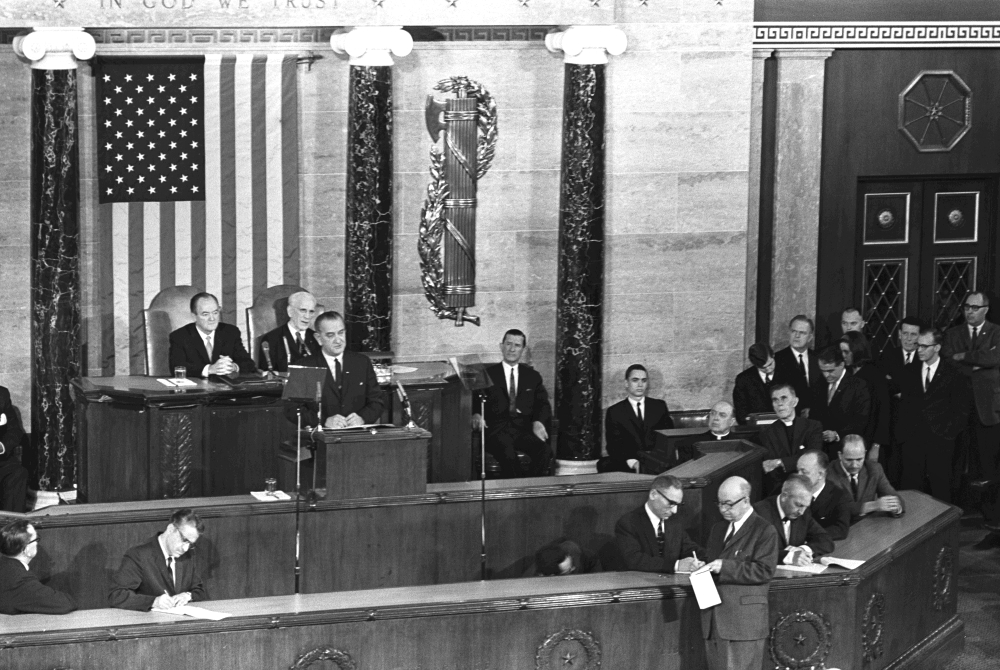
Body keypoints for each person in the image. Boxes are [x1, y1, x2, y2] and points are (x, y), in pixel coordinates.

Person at [700, 476, 779, 670]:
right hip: (713, 619)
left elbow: (764, 570)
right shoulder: (718, 529)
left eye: (728, 504)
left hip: (743, 624)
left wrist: (724, 567)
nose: (723, 509)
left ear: (745, 500)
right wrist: (701, 567)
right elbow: (714, 565)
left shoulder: (765, 530)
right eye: (720, 504)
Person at [898, 327, 972, 503]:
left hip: (941, 441)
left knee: (941, 489)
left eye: (925, 346)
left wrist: (947, 434)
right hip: (913, 440)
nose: (919, 350)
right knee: (912, 489)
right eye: (918, 346)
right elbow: (905, 406)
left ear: (937, 347)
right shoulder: (910, 371)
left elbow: (961, 410)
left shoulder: (954, 373)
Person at [472, 329, 553, 478]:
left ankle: (530, 488)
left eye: (517, 345)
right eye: (508, 344)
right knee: (508, 454)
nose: (512, 349)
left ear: (523, 349)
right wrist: (476, 414)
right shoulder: (487, 374)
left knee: (545, 451)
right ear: (501, 346)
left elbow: (542, 404)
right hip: (497, 430)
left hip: (523, 429)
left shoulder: (532, 376)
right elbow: (475, 401)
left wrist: (538, 422)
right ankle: (516, 494)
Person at [941, 291, 1000, 489]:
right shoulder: (952, 333)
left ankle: (988, 514)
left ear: (986, 310)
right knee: (958, 457)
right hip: (959, 403)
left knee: (986, 460)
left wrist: (964, 355)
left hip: (987, 405)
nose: (970, 312)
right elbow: (948, 362)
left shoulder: (996, 332)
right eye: (967, 307)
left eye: (975, 308)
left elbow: (994, 358)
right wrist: (977, 365)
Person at [294, 311, 385, 428]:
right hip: (319, 439)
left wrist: (362, 418)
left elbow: (377, 402)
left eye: (341, 333)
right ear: (318, 338)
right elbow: (292, 409)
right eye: (331, 335)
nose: (338, 340)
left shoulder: (362, 362)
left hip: (355, 437)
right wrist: (323, 421)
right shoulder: (304, 366)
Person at [108, 509, 208, 611]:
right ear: (171, 529)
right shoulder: (139, 555)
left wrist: (187, 596)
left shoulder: (187, 556)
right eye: (184, 540)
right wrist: (154, 601)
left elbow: (199, 591)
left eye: (190, 544)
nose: (185, 548)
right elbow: (117, 595)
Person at [614, 474, 704, 573]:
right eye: (671, 503)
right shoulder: (628, 522)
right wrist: (676, 565)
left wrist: (702, 562)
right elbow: (634, 560)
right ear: (653, 494)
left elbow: (689, 548)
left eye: (678, 505)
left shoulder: (674, 522)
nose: (675, 511)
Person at [600, 364, 674, 473]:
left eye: (644, 380)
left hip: (659, 465)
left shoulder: (659, 407)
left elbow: (669, 438)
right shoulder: (615, 412)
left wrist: (655, 462)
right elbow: (614, 446)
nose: (640, 384)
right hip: (627, 465)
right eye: (635, 380)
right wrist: (633, 463)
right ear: (626, 383)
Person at [168, 292, 256, 378]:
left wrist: (233, 366)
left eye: (215, 312)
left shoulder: (230, 332)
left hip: (225, 389)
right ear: (194, 316)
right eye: (205, 314)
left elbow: (248, 363)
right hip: (197, 390)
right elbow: (176, 368)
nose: (212, 318)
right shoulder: (180, 336)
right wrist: (209, 369)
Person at [752, 474, 834, 566]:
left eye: (806, 506)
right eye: (799, 505)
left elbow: (826, 540)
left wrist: (803, 549)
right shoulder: (758, 513)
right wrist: (789, 556)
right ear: (784, 496)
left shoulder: (804, 513)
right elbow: (754, 552)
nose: (801, 512)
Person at [878, 316, 922, 484]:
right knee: (892, 471)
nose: (909, 339)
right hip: (891, 423)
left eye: (913, 334)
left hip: (916, 426)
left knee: (912, 473)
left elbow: (921, 391)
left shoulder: (924, 358)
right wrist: (906, 389)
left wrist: (899, 387)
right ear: (899, 334)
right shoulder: (888, 355)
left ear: (920, 336)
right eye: (905, 334)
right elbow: (883, 387)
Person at [0, 520, 76, 615]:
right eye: (36, 539)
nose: (37, 544)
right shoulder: (19, 580)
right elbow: (64, 604)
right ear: (26, 549)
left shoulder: (5, 566)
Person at [759, 384, 823, 494]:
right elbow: (771, 469)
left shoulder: (813, 426)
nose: (780, 404)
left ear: (795, 401)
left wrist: (780, 462)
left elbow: (813, 459)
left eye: (784, 398)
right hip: (782, 490)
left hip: (810, 486)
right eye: (775, 400)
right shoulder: (767, 433)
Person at [811, 345, 870, 458]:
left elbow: (861, 419)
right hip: (821, 449)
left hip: (846, 450)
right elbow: (814, 414)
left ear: (842, 364)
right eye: (823, 371)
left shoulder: (858, 385)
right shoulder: (819, 385)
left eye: (830, 370)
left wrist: (837, 434)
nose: (826, 375)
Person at [828, 435, 904, 523]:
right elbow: (838, 508)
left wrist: (894, 506)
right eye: (849, 460)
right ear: (840, 455)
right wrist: (874, 505)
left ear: (865, 453)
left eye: (859, 459)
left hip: (867, 525)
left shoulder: (874, 469)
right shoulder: (829, 473)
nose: (854, 465)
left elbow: (895, 497)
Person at [840, 331, 890, 459]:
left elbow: (883, 411)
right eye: (841, 352)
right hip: (849, 437)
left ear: (857, 351)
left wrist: (876, 446)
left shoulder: (875, 375)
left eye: (846, 352)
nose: (842, 356)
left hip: (870, 438)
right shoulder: (845, 373)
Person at [257, 290, 322, 373]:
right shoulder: (270, 340)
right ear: (290, 311)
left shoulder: (317, 338)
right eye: (303, 310)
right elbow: (266, 376)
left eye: (311, 311)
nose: (307, 316)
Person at [773, 315, 825, 415]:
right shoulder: (777, 359)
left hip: (816, 418)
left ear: (810, 337)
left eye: (802, 333)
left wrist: (813, 410)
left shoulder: (818, 358)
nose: (797, 336)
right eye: (793, 331)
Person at [797, 450, 852, 541]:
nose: (798, 476)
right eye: (798, 470)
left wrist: (807, 536)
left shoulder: (839, 495)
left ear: (820, 474)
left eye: (804, 472)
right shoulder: (790, 490)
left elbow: (841, 530)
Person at [732, 342, 783, 425]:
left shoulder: (788, 373)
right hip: (756, 430)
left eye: (770, 364)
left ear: (773, 355)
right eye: (763, 368)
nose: (768, 369)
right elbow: (741, 413)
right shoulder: (743, 380)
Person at [0, 385, 27, 513]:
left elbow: (15, 430)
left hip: (2, 460)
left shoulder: (2, 394)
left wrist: (2, 446)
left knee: (18, 473)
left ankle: (12, 527)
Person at [532, 540, 601, 576]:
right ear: (552, 577)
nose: (574, 568)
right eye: (569, 571)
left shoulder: (587, 558)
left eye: (572, 563)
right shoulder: (530, 582)